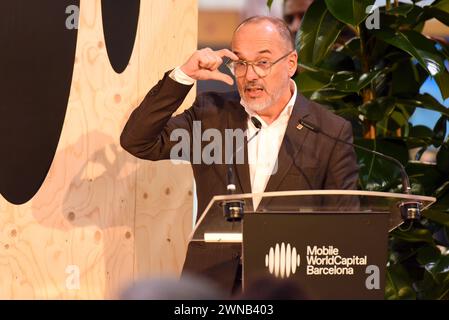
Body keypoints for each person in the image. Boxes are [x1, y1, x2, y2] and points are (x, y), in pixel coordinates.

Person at [120, 16, 358, 294]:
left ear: (291, 63)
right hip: (212, 283)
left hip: (287, 285)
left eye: (263, 62)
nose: (250, 75)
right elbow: (138, 141)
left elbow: (345, 225)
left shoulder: (329, 130)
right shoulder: (211, 114)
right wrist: (183, 76)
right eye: (240, 63)